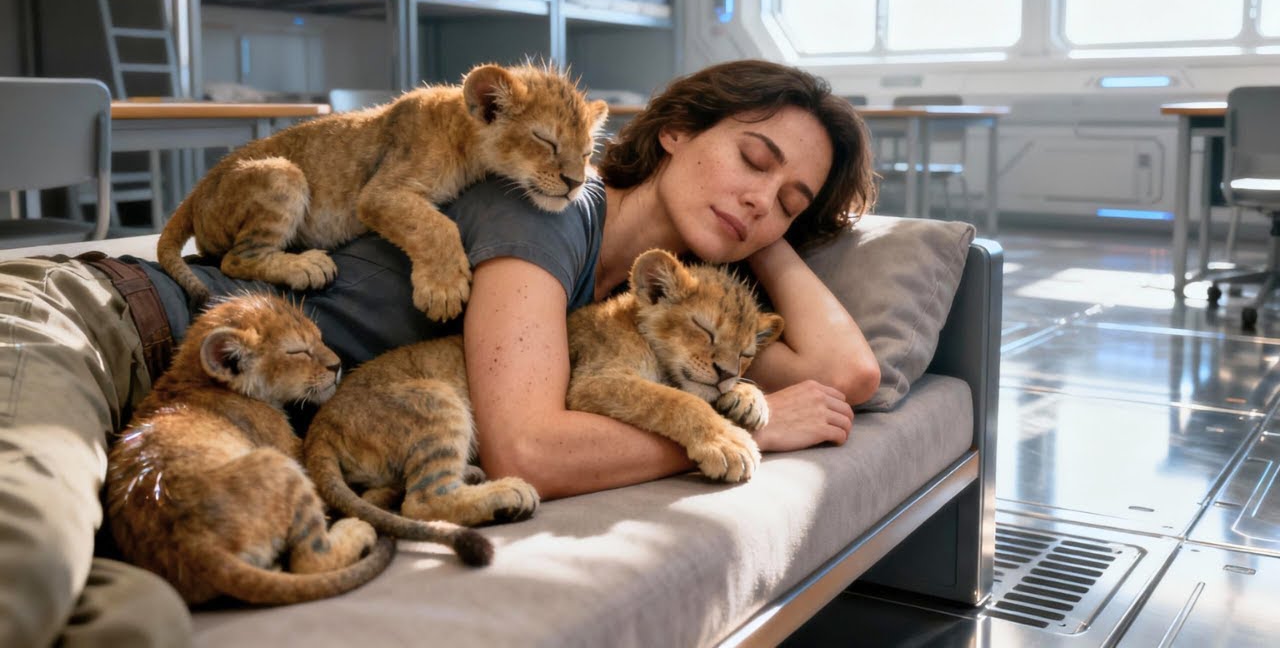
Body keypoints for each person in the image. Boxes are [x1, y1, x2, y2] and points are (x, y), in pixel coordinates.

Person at [0, 59, 878, 647]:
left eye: (790, 200)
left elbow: (848, 376)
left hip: (195, 427)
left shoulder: (656, 303)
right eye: (751, 158)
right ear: (678, 129)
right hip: (109, 328)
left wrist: (763, 228)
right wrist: (732, 437)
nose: (764, 196)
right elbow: (526, 447)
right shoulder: (542, 204)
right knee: (28, 564)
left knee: (137, 625)